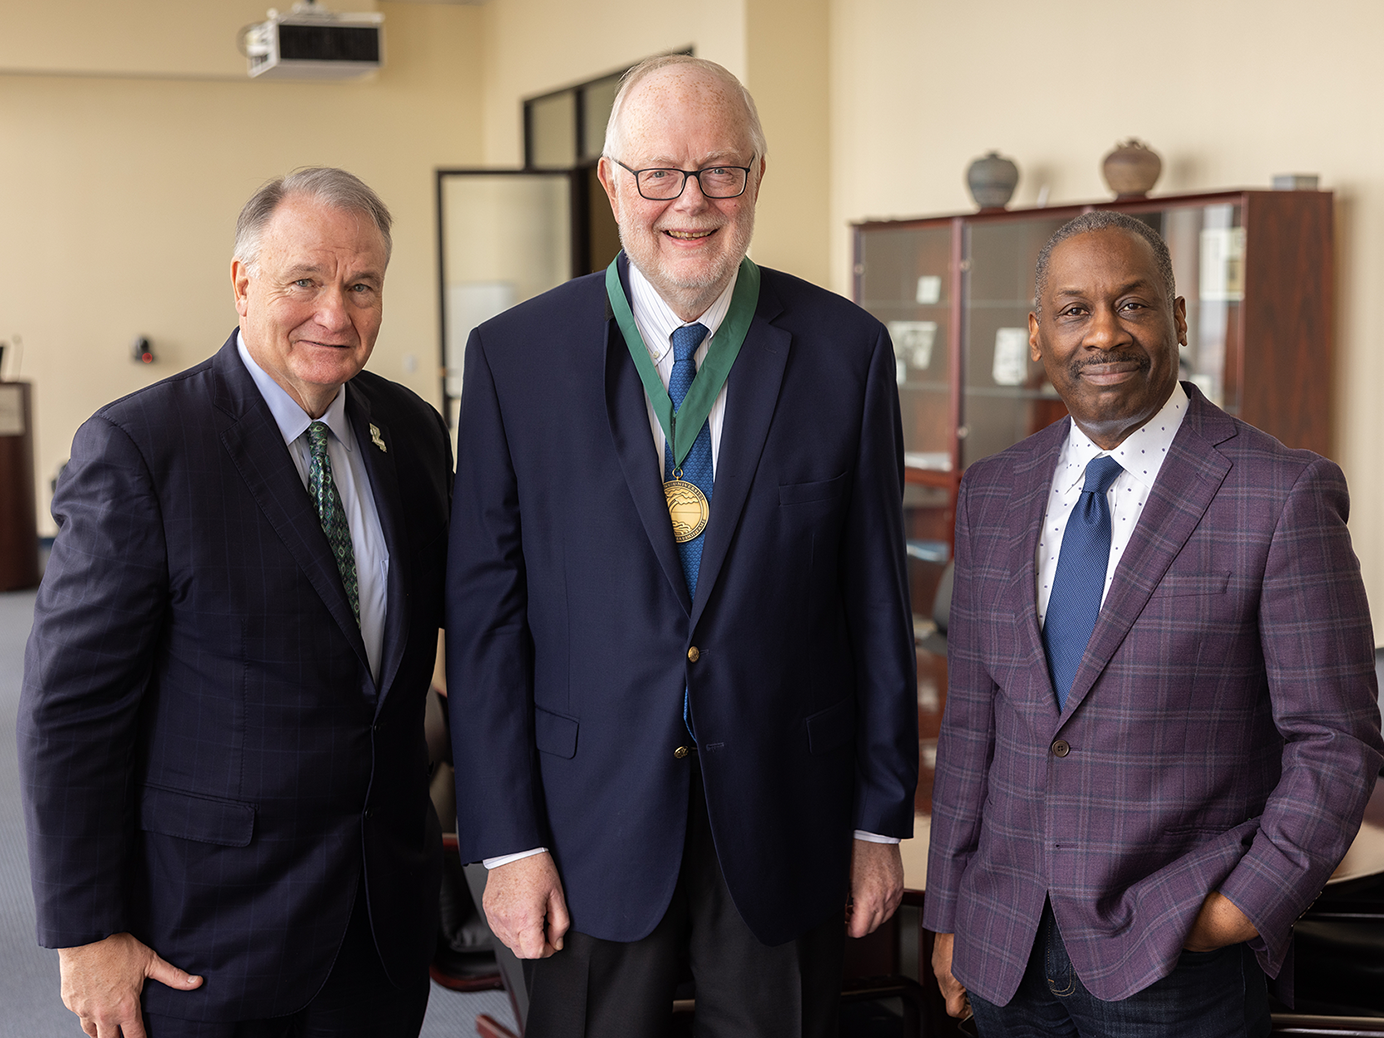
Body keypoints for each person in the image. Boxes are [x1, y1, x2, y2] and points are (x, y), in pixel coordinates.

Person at [446, 55, 918, 1035]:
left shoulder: (846, 352)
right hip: (582, 826)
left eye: (721, 170)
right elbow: (486, 624)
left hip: (787, 817)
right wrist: (504, 843)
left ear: (755, 178)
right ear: (612, 184)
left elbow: (875, 605)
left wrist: (878, 821)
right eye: (659, 173)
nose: (690, 202)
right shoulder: (513, 359)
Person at [926, 210, 1384, 1036]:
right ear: (1037, 335)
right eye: (1074, 311)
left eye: (1132, 304)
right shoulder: (993, 491)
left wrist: (1242, 908)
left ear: (1176, 318)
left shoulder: (1279, 494)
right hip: (1006, 948)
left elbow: (1335, 741)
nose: (1103, 333)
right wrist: (951, 910)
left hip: (1174, 957)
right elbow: (972, 723)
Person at [18, 167, 453, 1038]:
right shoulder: (142, 448)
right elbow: (70, 713)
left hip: (379, 922)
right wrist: (86, 936)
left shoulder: (407, 430)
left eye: (361, 285)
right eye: (305, 281)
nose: (336, 312)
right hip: (210, 938)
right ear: (242, 281)